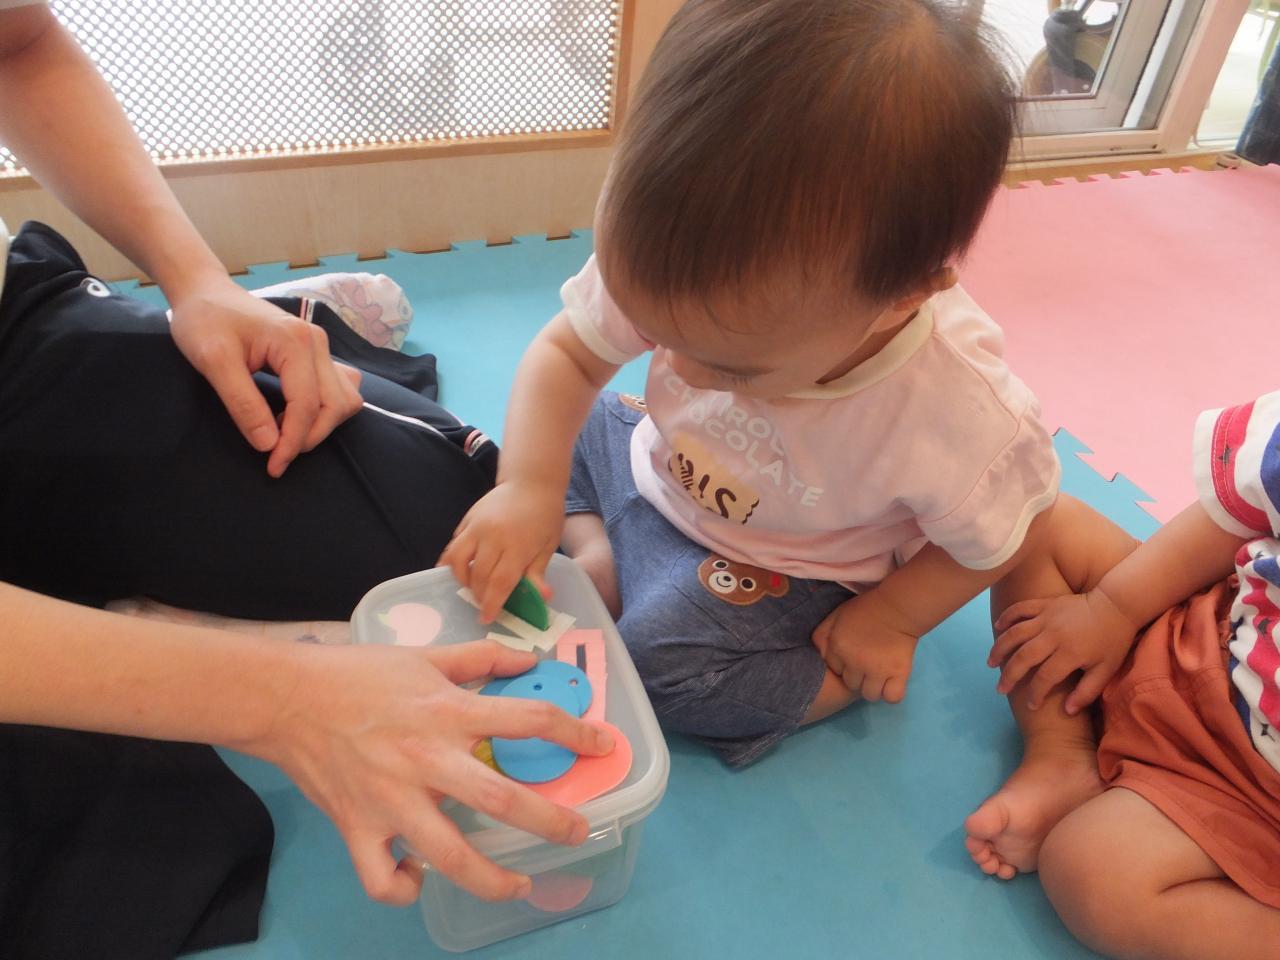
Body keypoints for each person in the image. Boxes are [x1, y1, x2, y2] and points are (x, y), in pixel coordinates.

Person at [0, 0, 610, 913]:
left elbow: (20, 41)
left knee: (452, 538)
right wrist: (283, 703)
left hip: (17, 350)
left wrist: (197, 281)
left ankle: (271, 319)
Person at [443, 0, 1062, 766]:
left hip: (787, 564)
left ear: (901, 296)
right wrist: (527, 490)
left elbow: (1019, 524)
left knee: (658, 665)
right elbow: (567, 357)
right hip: (659, 464)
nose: (681, 372)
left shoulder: (951, 406)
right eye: (660, 334)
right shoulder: (683, 257)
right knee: (569, 424)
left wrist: (893, 620)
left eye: (732, 368)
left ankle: (814, 677)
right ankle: (605, 554)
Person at [964, 394, 1280, 960]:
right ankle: (1061, 757)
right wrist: (1112, 608)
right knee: (1040, 529)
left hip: (1246, 799)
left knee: (1094, 875)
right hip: (1194, 630)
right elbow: (1236, 514)